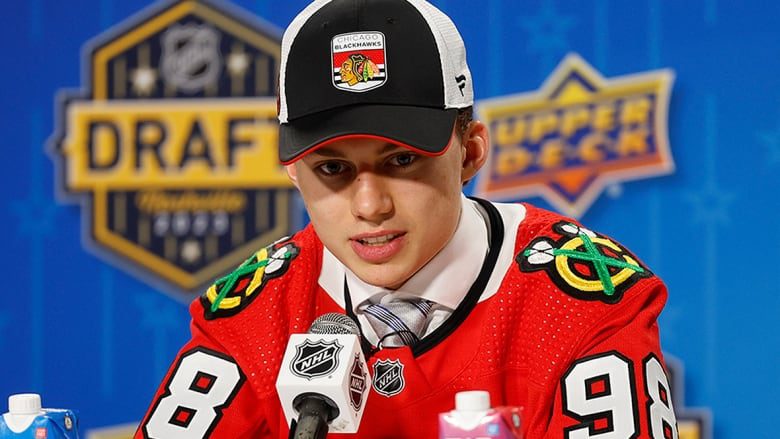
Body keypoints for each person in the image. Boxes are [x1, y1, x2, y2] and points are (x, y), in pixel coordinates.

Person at [136, 1, 679, 438]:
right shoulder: (252, 316)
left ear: (469, 152)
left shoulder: (582, 299)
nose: (370, 205)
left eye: (401, 160)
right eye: (332, 168)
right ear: (293, 173)